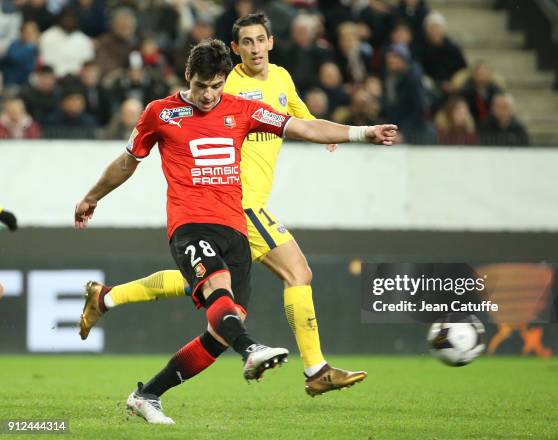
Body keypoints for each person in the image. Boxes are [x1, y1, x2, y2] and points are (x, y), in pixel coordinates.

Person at [74, 38, 396, 425]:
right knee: (219, 294)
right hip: (190, 225)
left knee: (221, 330)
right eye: (201, 86)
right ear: (187, 77)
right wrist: (93, 196)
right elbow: (128, 162)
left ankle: (147, 395)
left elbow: (305, 127)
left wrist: (363, 133)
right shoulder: (160, 113)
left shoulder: (244, 109)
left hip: (235, 230)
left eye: (216, 86)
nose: (208, 95)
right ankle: (251, 348)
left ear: (225, 80)